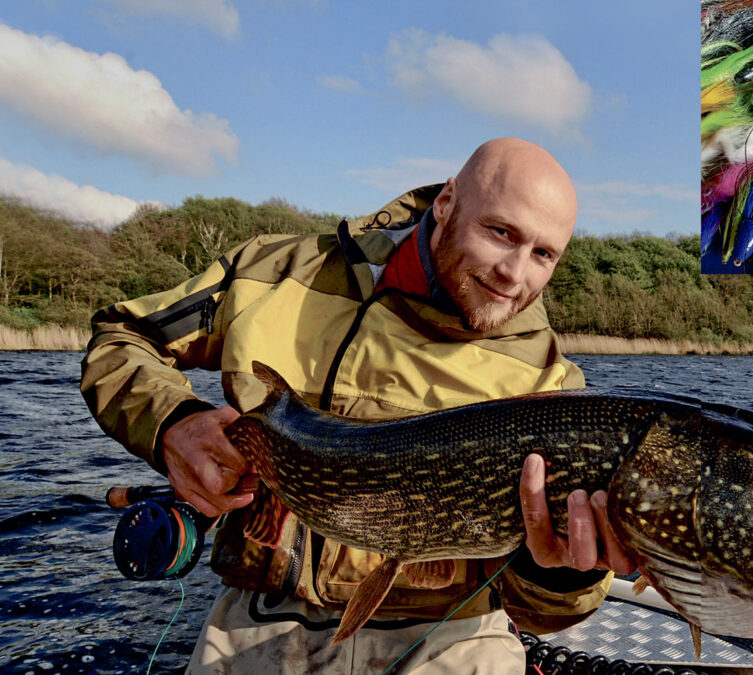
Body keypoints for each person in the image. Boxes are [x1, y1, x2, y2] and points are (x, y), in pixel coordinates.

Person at [81, 138, 634, 674]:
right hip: (262, 616)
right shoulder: (273, 274)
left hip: (453, 634)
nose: (514, 273)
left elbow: (542, 613)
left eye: (543, 253)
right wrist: (173, 425)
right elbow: (123, 336)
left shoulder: (554, 383)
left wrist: (562, 576)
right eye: (499, 232)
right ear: (445, 204)